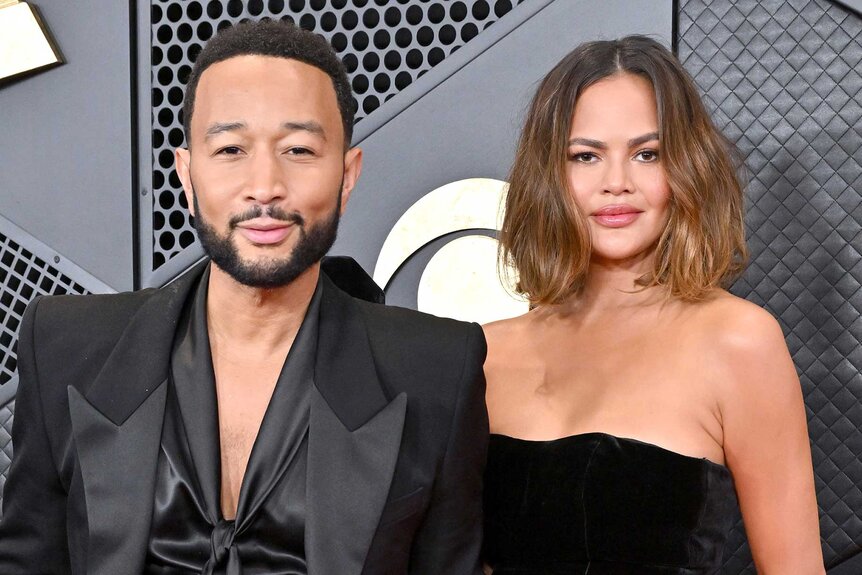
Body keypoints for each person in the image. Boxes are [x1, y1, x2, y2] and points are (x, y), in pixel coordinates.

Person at [0, 20, 488, 574]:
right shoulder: (65, 345)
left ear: (347, 175)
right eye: (230, 148)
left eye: (299, 149)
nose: (264, 186)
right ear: (187, 173)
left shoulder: (436, 368)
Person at [482, 36, 823, 574]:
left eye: (647, 154)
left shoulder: (738, 341)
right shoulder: (485, 354)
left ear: (685, 168)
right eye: (586, 156)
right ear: (551, 175)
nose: (617, 183)